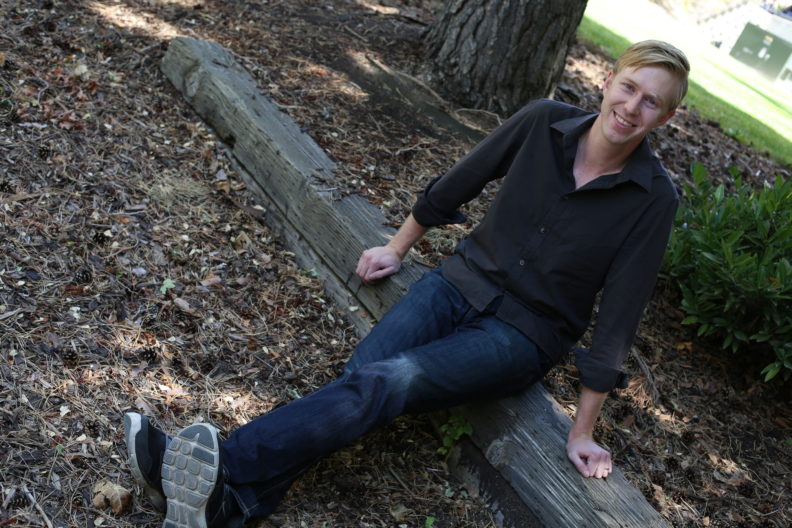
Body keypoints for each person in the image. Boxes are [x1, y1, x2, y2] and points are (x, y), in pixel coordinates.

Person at [123, 39, 690, 528]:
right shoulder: (543, 120)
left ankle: (215, 463)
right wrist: (397, 247)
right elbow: (462, 180)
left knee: (388, 380)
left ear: (664, 119)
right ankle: (231, 506)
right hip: (458, 283)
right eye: (630, 87)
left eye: (652, 102)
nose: (633, 106)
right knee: (363, 376)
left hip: (523, 334)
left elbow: (620, 313)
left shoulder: (653, 200)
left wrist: (582, 430)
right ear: (608, 81)